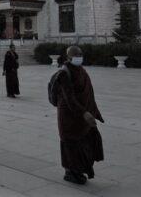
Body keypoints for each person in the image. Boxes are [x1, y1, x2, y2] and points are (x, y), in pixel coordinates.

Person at [55, 45, 104, 185]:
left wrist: (93, 112)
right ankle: (70, 172)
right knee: (71, 144)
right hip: (69, 117)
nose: (79, 58)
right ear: (69, 58)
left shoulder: (82, 70)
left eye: (80, 55)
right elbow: (69, 99)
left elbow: (89, 93)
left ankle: (79, 170)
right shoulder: (64, 74)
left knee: (86, 143)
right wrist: (84, 113)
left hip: (84, 116)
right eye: (76, 56)